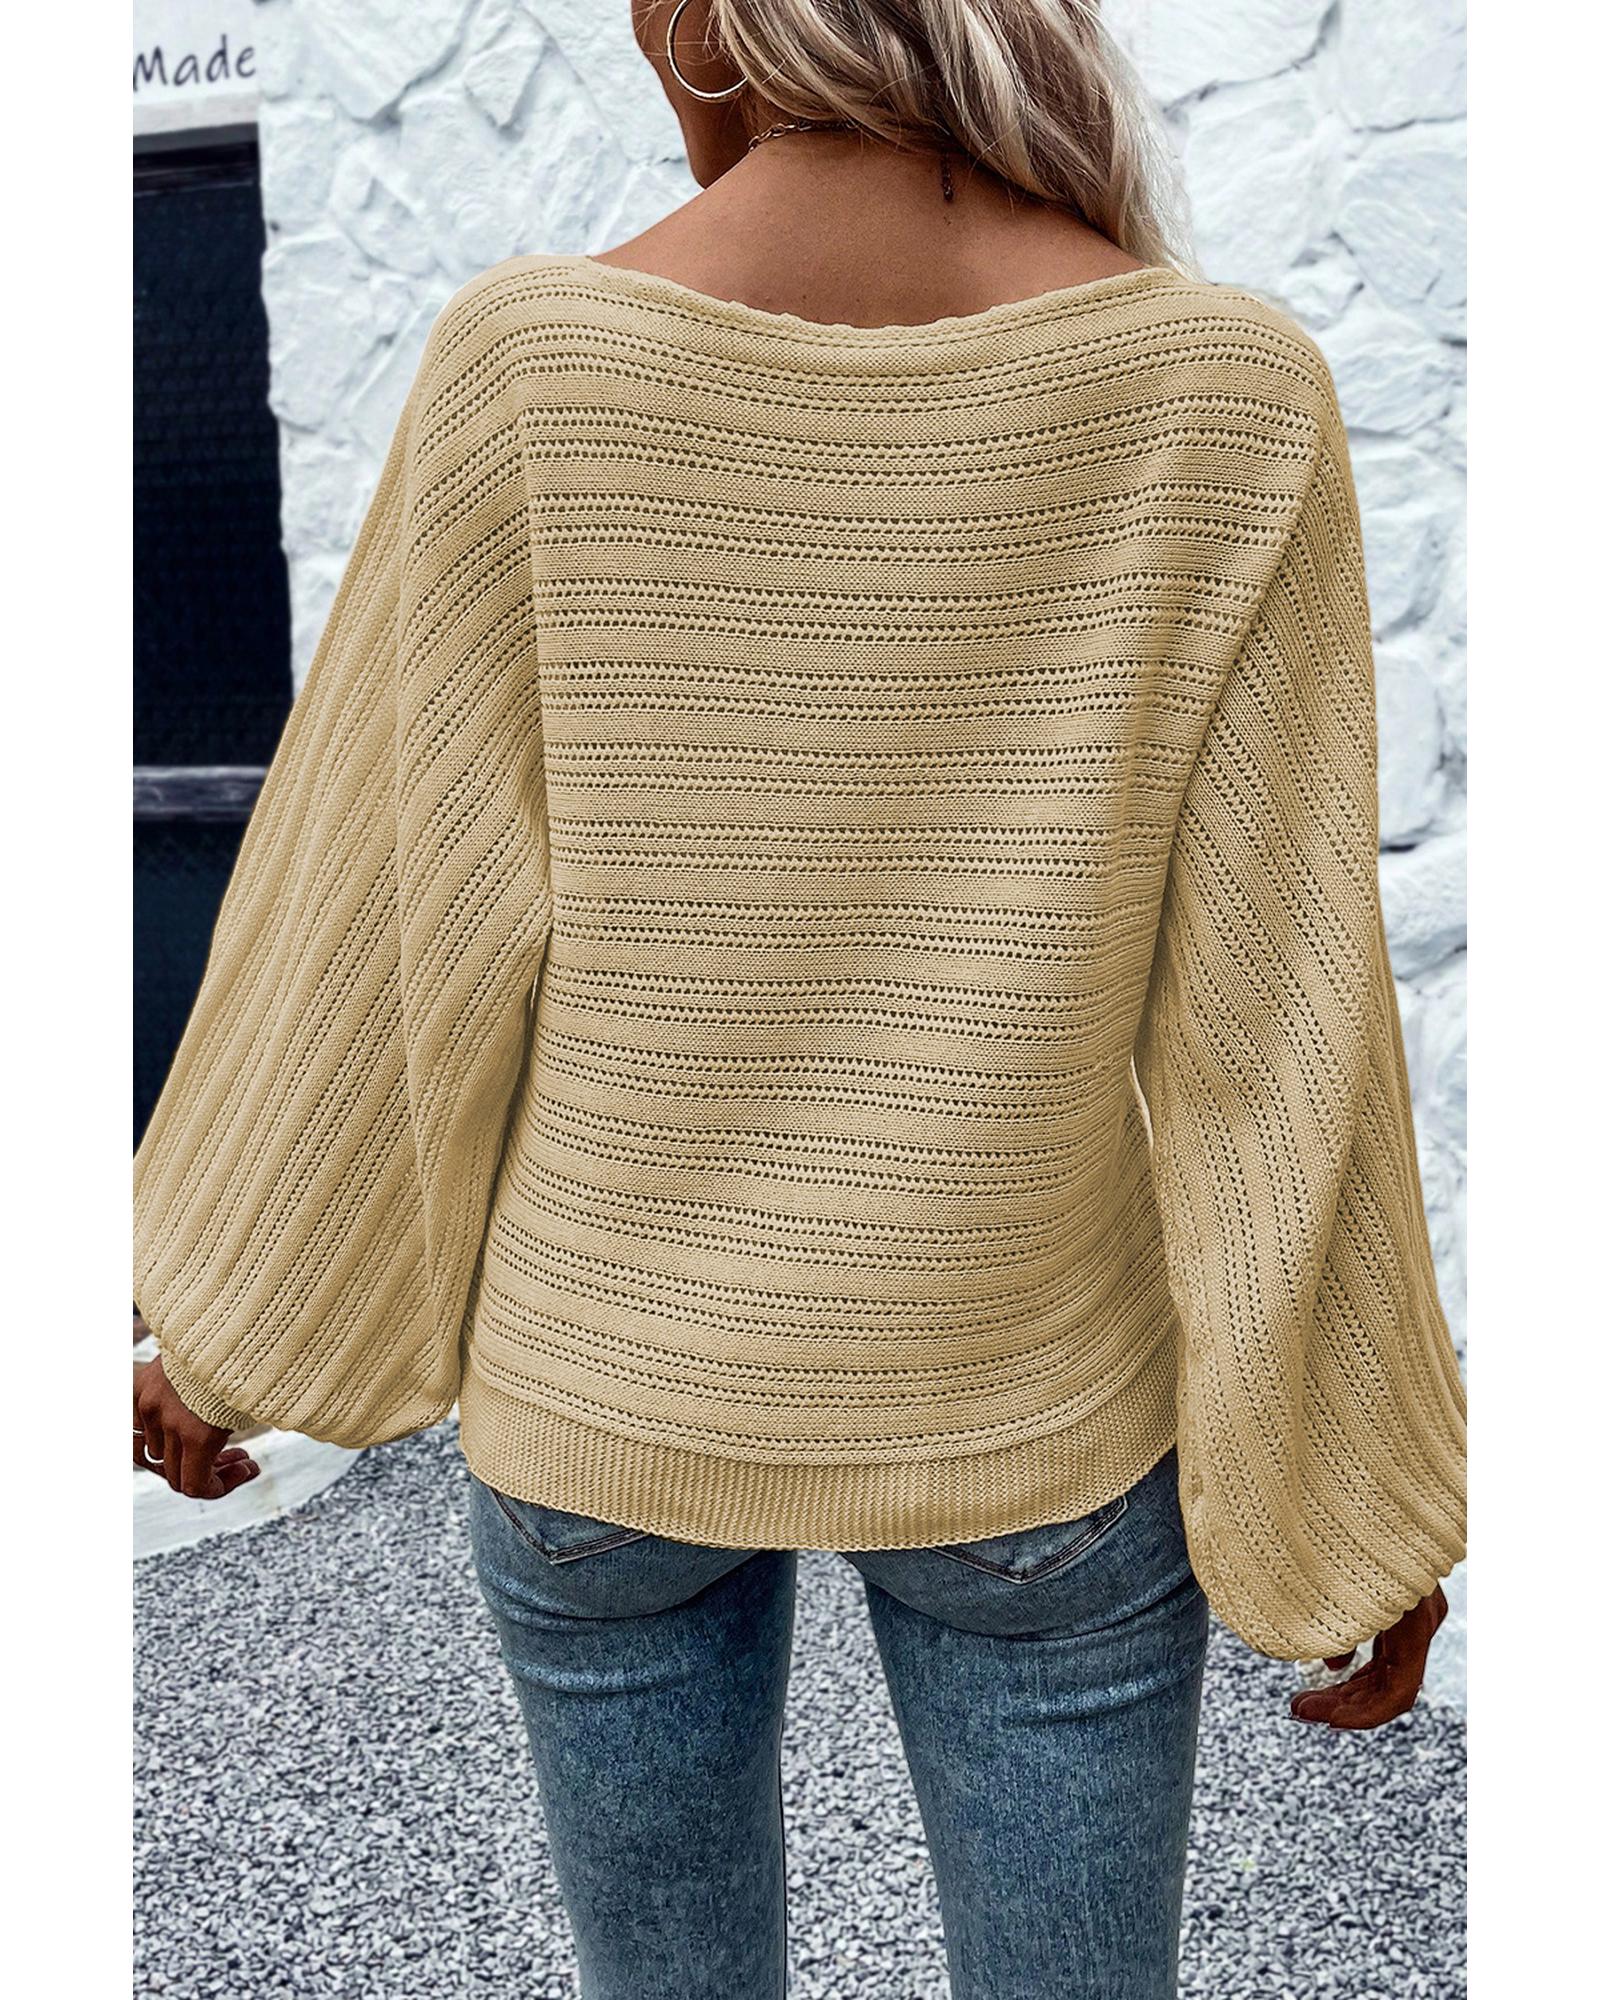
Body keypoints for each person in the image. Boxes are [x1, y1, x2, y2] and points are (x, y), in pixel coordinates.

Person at [132, 4, 1467, 1994]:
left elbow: (390, 922)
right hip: (1028, 1411)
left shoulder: (528, 367)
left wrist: (224, 1324)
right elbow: (1273, 1021)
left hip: (600, 1407)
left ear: (704, 15)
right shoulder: (1222, 392)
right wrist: (1359, 1494)